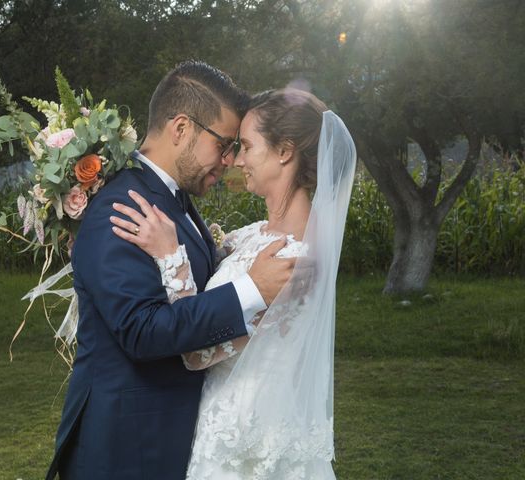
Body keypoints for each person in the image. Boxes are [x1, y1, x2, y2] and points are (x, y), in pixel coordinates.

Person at [45, 61, 297, 480]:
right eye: (223, 144)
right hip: (125, 448)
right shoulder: (122, 207)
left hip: (164, 439)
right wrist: (251, 290)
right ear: (181, 128)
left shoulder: (172, 200)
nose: (229, 160)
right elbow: (142, 332)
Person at [111, 88, 357, 479]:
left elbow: (197, 355)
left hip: (246, 437)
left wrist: (169, 254)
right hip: (218, 420)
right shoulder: (254, 235)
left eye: (245, 146)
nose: (236, 160)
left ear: (284, 151)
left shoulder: (293, 259)